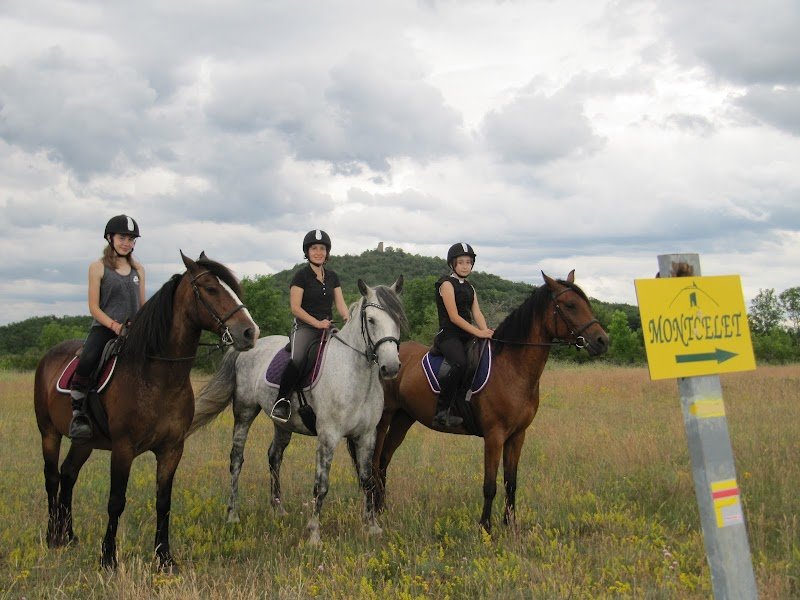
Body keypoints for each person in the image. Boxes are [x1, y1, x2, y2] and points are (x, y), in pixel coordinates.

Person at [68, 215, 146, 439]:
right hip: (105, 328)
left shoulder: (139, 270)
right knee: (88, 358)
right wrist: (114, 325)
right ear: (110, 238)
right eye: (122, 238)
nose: (126, 243)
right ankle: (78, 413)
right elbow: (94, 307)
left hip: (133, 330)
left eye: (131, 239)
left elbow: (142, 305)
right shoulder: (98, 267)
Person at [270, 229, 350, 422]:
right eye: (314, 248)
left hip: (328, 327)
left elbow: (340, 305)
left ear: (327, 252)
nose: (318, 252)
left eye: (322, 248)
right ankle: (282, 401)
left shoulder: (332, 277)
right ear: (307, 252)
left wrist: (349, 319)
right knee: (298, 359)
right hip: (305, 327)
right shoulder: (301, 276)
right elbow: (295, 308)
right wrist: (317, 323)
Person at [432, 242, 494, 427]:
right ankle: (442, 412)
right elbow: (454, 317)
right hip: (449, 335)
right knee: (460, 363)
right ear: (452, 264)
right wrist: (479, 332)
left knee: (481, 359)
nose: (465, 266)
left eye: (468, 262)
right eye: (461, 262)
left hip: (467, 335)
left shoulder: (470, 287)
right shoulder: (446, 284)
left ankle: (467, 402)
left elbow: (477, 313)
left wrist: (486, 331)